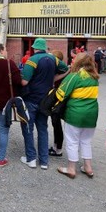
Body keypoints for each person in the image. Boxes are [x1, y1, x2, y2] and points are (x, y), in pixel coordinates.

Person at [20, 38, 69, 170]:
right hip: (46, 100)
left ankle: (31, 159)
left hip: (31, 98)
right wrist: (53, 78)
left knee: (28, 128)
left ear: (34, 48)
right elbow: (66, 69)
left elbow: (24, 82)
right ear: (45, 47)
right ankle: (44, 161)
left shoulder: (32, 60)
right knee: (42, 129)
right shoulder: (54, 59)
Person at [56, 52, 100, 179]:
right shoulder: (95, 77)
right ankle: (88, 167)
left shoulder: (74, 76)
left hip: (75, 114)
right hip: (92, 114)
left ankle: (71, 168)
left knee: (72, 141)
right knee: (86, 141)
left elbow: (61, 94)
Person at [48, 50, 67, 157]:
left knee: (56, 123)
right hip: (58, 97)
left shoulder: (60, 71)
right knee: (55, 123)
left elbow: (53, 80)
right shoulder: (61, 69)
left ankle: (58, 149)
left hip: (59, 98)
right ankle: (56, 146)